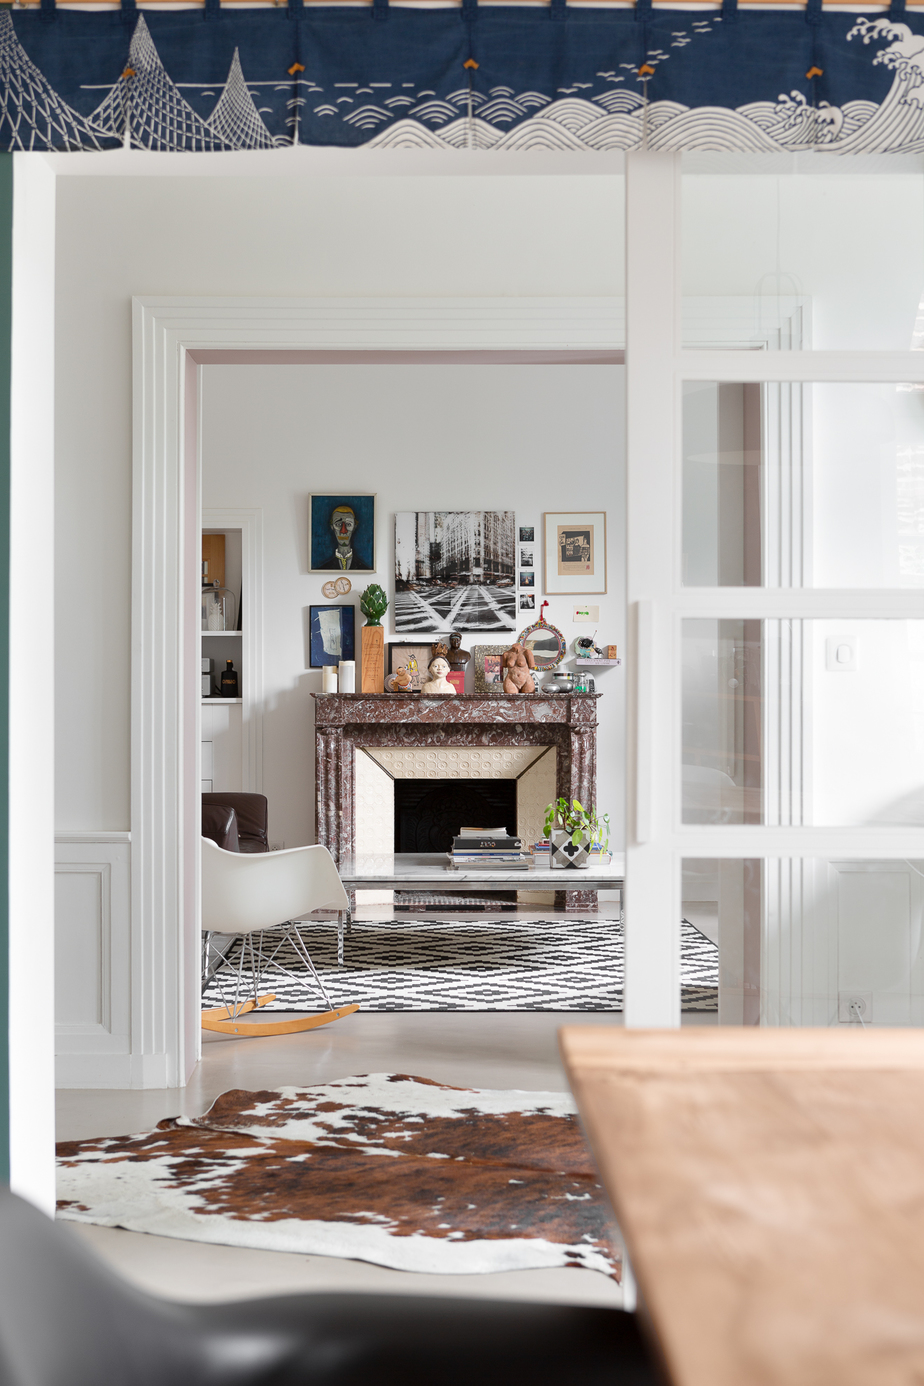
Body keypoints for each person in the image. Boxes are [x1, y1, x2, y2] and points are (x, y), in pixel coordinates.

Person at [318, 504, 360, 570]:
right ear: (332, 527)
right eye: (338, 524)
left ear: (354, 527)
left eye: (348, 524)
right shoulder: (323, 568)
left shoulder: (364, 567)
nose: (343, 531)